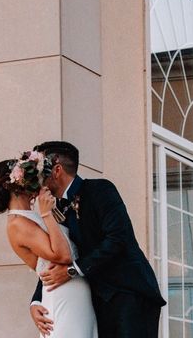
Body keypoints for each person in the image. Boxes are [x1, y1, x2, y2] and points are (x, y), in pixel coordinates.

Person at [29, 141, 166, 338]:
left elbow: (118, 238)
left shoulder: (100, 190)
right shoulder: (54, 208)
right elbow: (55, 257)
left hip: (127, 293)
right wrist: (36, 302)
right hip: (95, 302)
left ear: (57, 170)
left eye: (41, 170)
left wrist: (72, 270)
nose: (38, 178)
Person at [0, 153, 98, 338]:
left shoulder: (30, 216)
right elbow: (63, 256)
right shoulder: (17, 223)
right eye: (28, 174)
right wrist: (47, 215)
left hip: (76, 294)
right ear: (16, 183)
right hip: (63, 295)